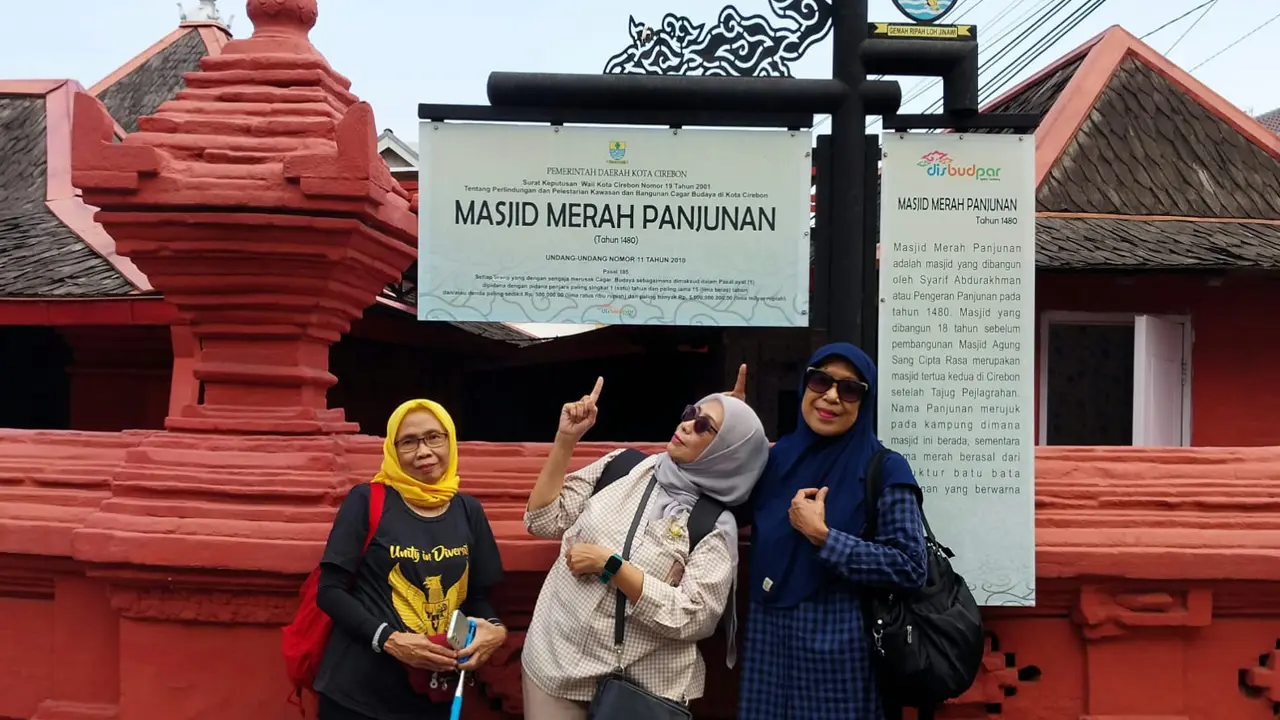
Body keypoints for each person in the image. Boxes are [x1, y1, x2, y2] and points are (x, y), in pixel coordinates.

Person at [521, 378, 770, 720]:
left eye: (704, 426)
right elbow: (543, 520)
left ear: (727, 452)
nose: (687, 425)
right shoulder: (624, 467)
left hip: (637, 693)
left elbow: (694, 617)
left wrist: (612, 566)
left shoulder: (712, 525)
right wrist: (566, 439)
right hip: (553, 667)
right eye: (691, 413)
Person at [736, 343, 929, 720]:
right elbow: (721, 506)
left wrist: (824, 537)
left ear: (865, 402)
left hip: (840, 646)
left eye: (850, 389)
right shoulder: (773, 460)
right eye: (821, 381)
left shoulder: (885, 469)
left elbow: (910, 566)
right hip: (768, 640)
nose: (831, 396)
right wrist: (728, 432)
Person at [312, 399, 508, 720]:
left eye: (434, 437)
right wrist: (389, 640)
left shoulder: (468, 511)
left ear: (450, 441)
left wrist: (496, 631)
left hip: (432, 695)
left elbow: (477, 598)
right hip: (359, 695)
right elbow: (330, 591)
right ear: (392, 450)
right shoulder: (366, 500)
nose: (424, 451)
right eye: (408, 442)